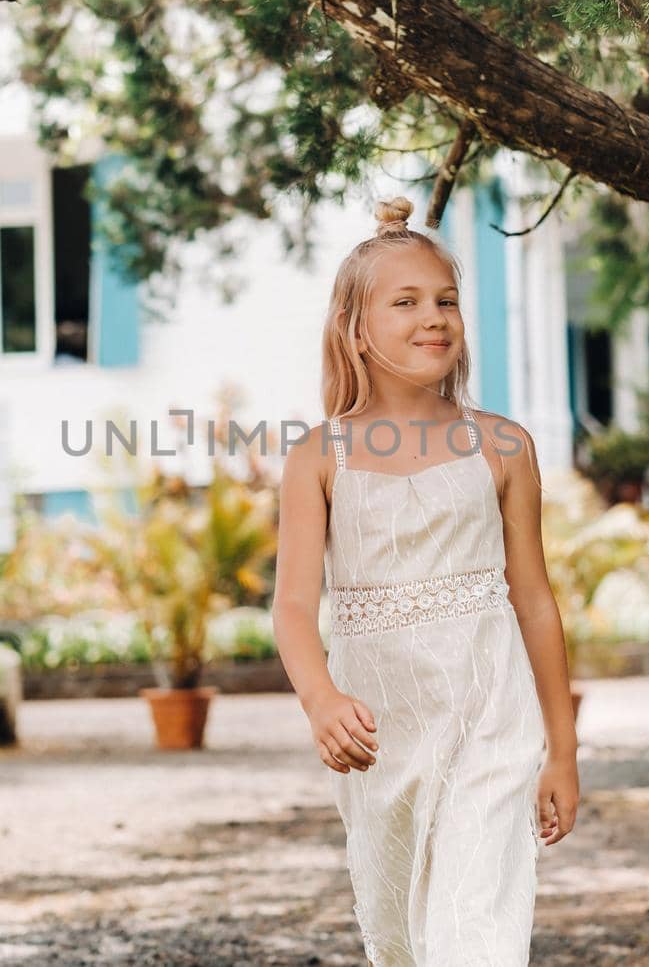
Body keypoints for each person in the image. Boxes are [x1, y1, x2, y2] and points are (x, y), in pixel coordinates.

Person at [270, 196, 581, 966]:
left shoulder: (503, 446)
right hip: (382, 735)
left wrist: (562, 751)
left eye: (445, 300)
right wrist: (320, 698)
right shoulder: (318, 457)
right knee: (402, 937)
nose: (433, 317)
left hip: (490, 722)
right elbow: (294, 605)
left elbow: (535, 603)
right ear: (356, 328)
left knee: (476, 927)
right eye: (404, 302)